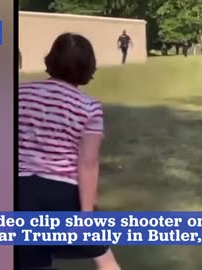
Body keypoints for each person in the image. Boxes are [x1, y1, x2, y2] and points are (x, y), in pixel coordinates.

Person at [18, 33, 121, 270]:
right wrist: (86, 215)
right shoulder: (89, 106)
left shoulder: (20, 93)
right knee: (105, 260)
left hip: (20, 192)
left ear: (51, 59)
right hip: (63, 193)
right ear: (88, 67)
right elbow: (88, 163)